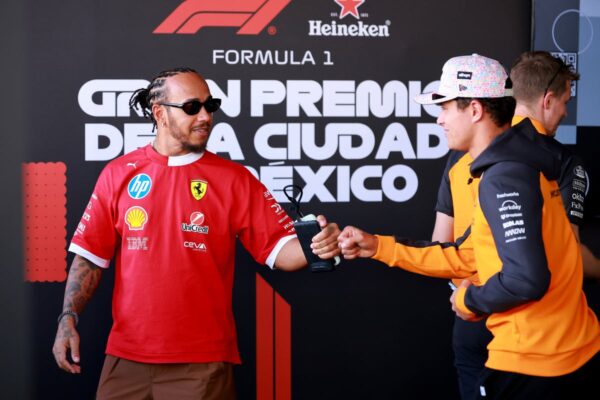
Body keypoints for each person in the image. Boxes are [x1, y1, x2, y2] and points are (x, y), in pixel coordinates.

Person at [52, 67, 341, 399]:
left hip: (202, 364)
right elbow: (90, 257)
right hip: (125, 358)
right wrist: (68, 317)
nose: (205, 116)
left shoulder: (235, 179)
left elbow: (281, 251)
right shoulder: (117, 173)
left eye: (210, 105)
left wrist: (316, 244)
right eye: (192, 107)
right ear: (159, 113)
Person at [338, 54, 600, 399]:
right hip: (562, 351)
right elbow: (472, 254)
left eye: (445, 108)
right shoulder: (514, 164)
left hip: (536, 360)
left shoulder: (504, 176)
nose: (439, 119)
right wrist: (379, 246)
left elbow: (526, 280)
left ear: (475, 110)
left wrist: (468, 300)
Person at [431, 50, 599, 399]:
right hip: (533, 333)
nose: (565, 112)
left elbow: (441, 243)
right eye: (565, 102)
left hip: (472, 316)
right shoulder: (560, 160)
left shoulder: (462, 153)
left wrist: (466, 297)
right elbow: (567, 256)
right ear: (547, 100)